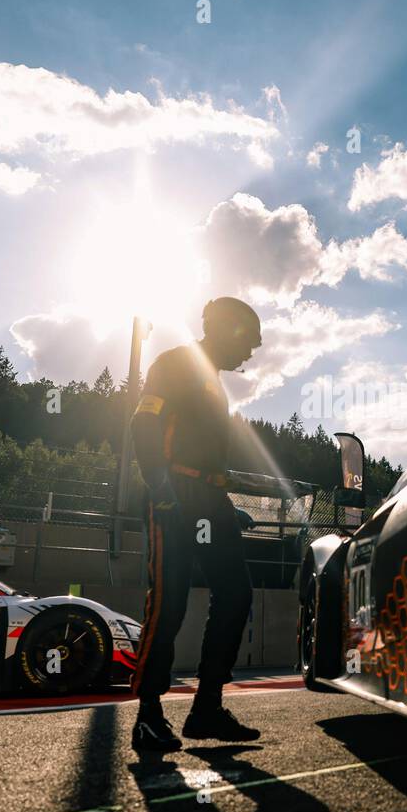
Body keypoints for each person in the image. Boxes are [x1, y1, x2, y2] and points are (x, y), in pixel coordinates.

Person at [128, 297, 264, 753]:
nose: (251, 352)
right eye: (249, 340)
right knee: (169, 602)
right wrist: (158, 485)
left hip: (210, 497)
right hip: (176, 495)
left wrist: (222, 492)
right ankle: (148, 715)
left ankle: (206, 708)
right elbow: (143, 422)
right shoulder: (177, 363)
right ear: (224, 329)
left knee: (237, 593)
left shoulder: (213, 382)